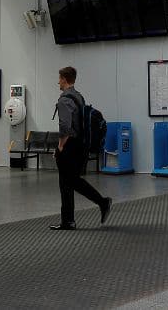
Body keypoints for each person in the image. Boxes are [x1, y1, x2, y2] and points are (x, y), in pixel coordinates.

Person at [48, 66, 111, 231]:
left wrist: (60, 146)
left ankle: (101, 203)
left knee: (67, 182)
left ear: (64, 79)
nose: (58, 82)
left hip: (69, 146)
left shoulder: (64, 99)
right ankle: (69, 220)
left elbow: (65, 126)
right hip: (80, 146)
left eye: (59, 78)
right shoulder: (79, 97)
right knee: (70, 181)